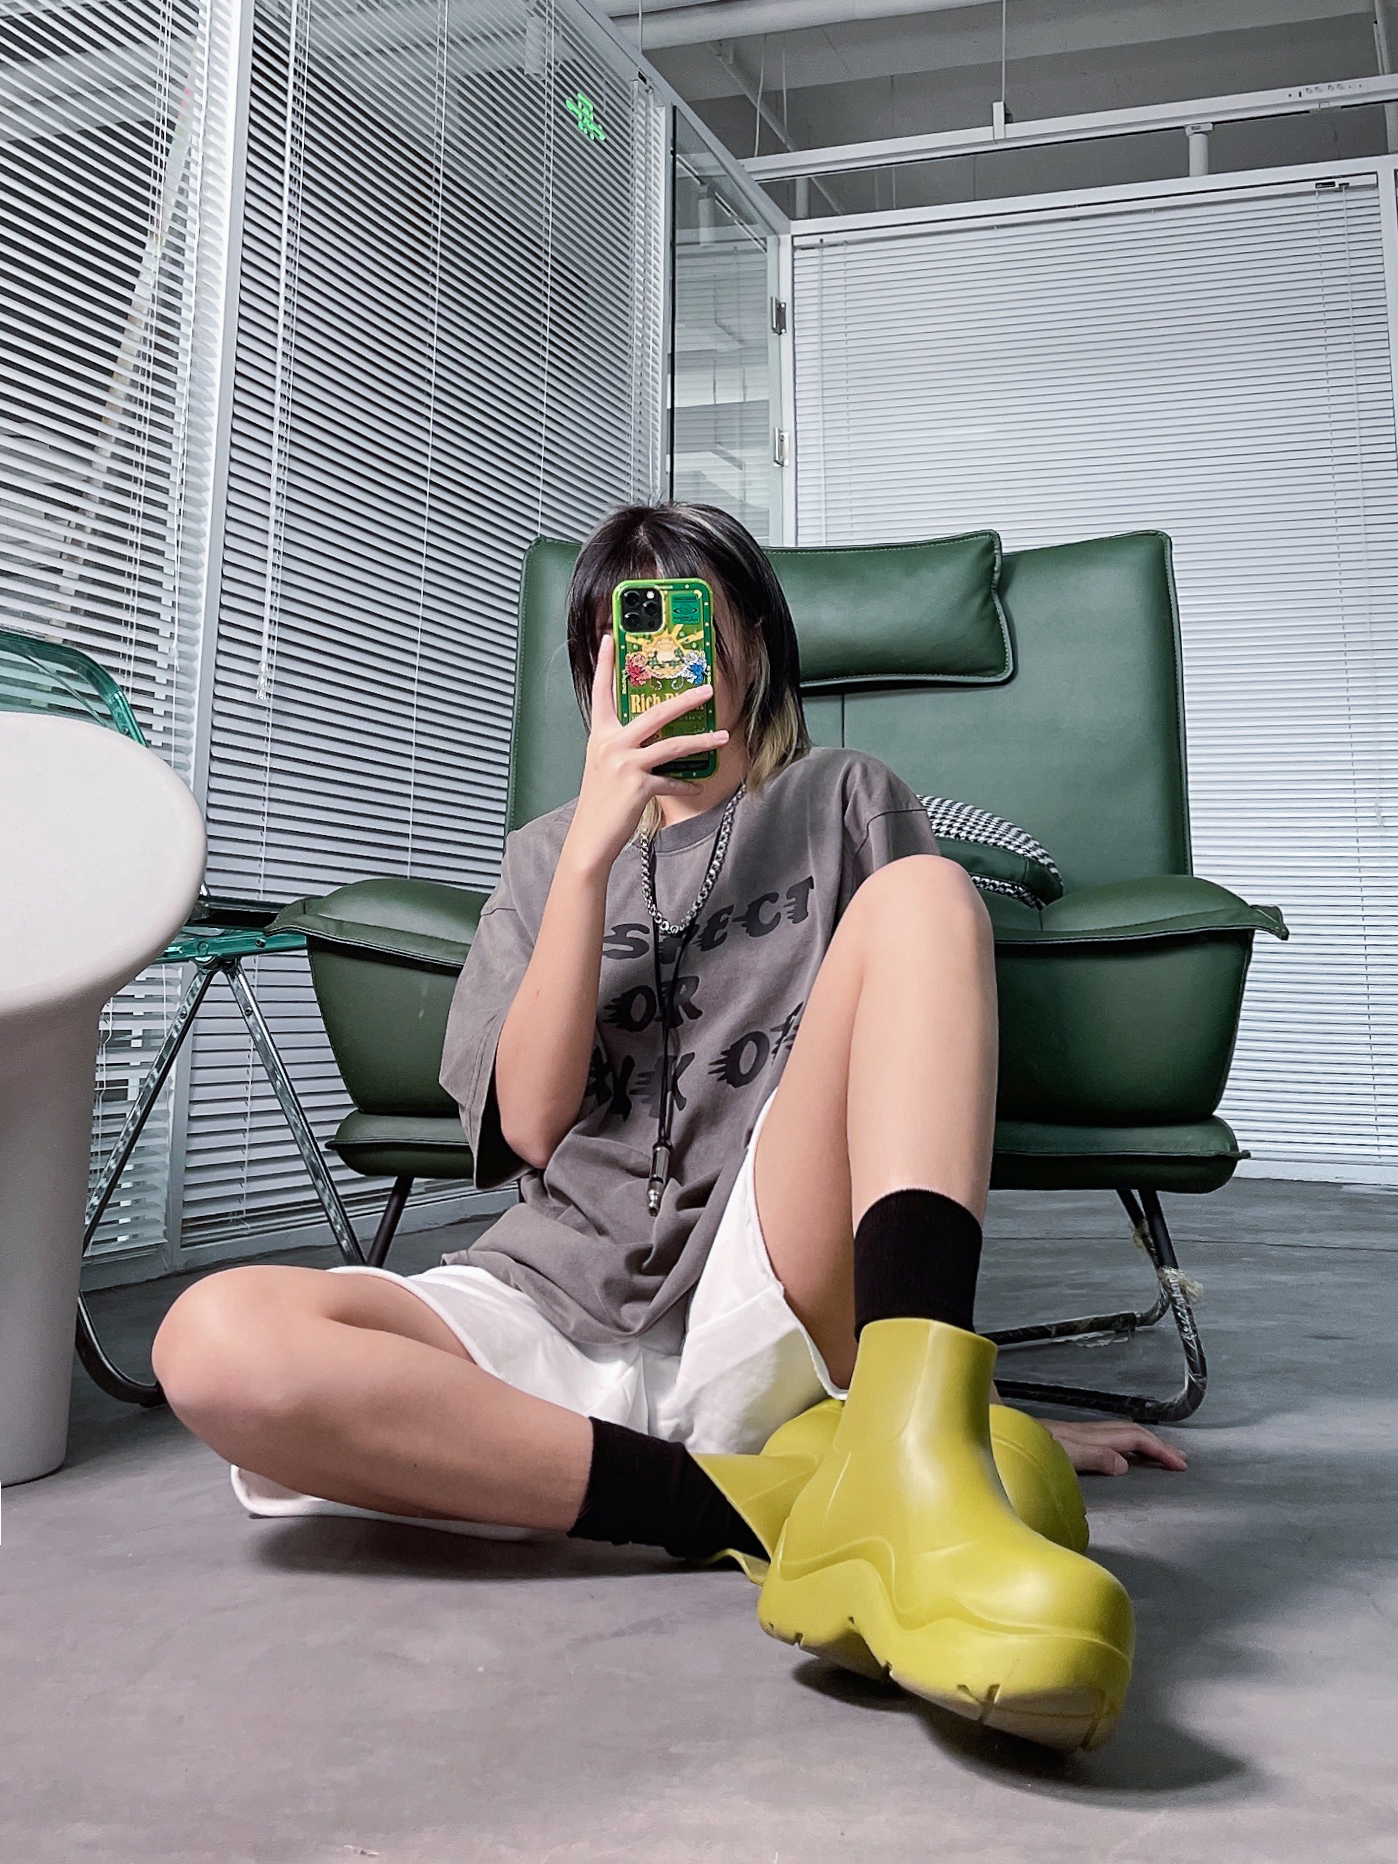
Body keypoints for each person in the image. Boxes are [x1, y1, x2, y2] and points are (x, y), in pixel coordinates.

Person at [153, 502, 1184, 1751]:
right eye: (624, 633)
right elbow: (533, 1126)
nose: (660, 656)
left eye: (686, 617)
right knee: (215, 1339)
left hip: (771, 1278)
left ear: (752, 643)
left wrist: (971, 1401)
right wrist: (591, 855)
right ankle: (746, 1506)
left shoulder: (842, 797)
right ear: (592, 672)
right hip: (552, 1298)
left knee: (928, 894)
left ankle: (917, 1443)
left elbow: (916, 1076)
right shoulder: (544, 859)